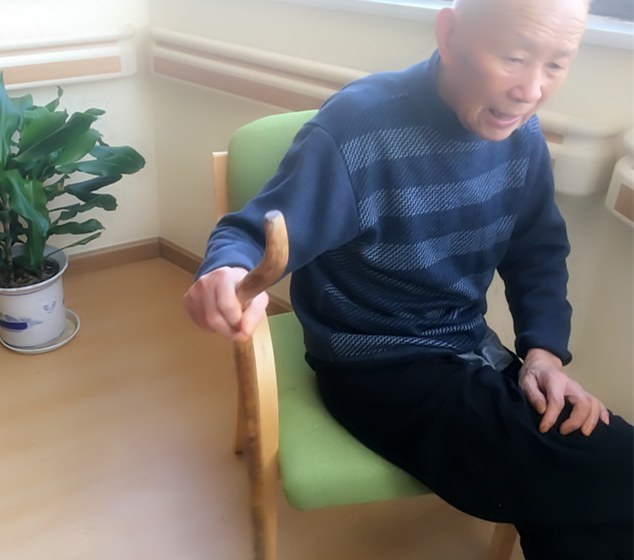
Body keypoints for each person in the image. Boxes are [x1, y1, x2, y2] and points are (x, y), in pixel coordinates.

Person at [183, 0, 634, 558]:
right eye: (515, 58)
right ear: (449, 33)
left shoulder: (522, 132)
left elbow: (536, 249)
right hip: (375, 364)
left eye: (557, 64)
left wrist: (544, 355)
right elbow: (251, 232)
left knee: (584, 512)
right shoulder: (357, 128)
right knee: (614, 469)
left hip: (469, 347)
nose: (532, 90)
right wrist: (224, 270)